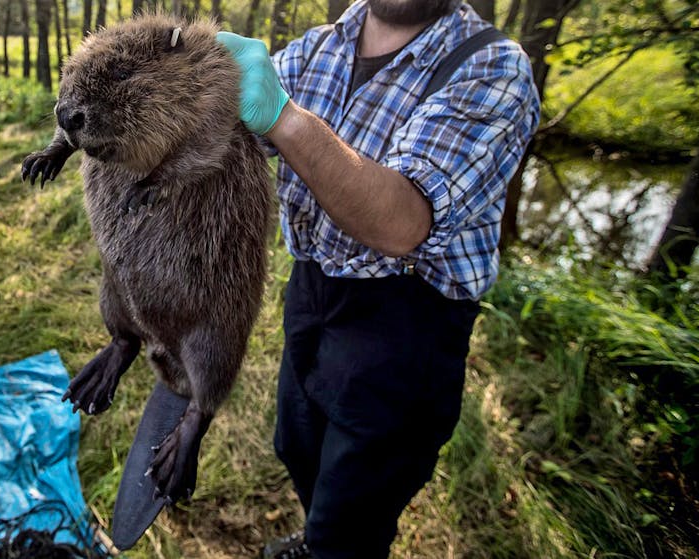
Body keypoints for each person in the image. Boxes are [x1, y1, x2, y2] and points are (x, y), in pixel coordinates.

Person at [217, 1, 540, 557]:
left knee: (359, 495)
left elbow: (402, 222)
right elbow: (235, 131)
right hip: (314, 290)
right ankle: (319, 535)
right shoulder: (319, 48)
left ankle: (337, 544)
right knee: (299, 444)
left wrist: (284, 119)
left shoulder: (492, 67)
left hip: (406, 325)